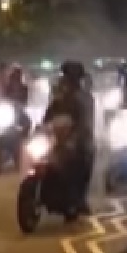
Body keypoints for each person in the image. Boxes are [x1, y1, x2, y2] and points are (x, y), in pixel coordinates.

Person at [42, 60, 95, 214]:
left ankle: (79, 198)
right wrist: (41, 129)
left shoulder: (85, 97)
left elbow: (86, 120)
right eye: (67, 76)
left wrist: (77, 137)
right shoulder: (58, 95)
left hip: (77, 138)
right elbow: (48, 114)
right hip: (56, 137)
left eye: (73, 77)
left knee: (86, 157)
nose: (69, 80)